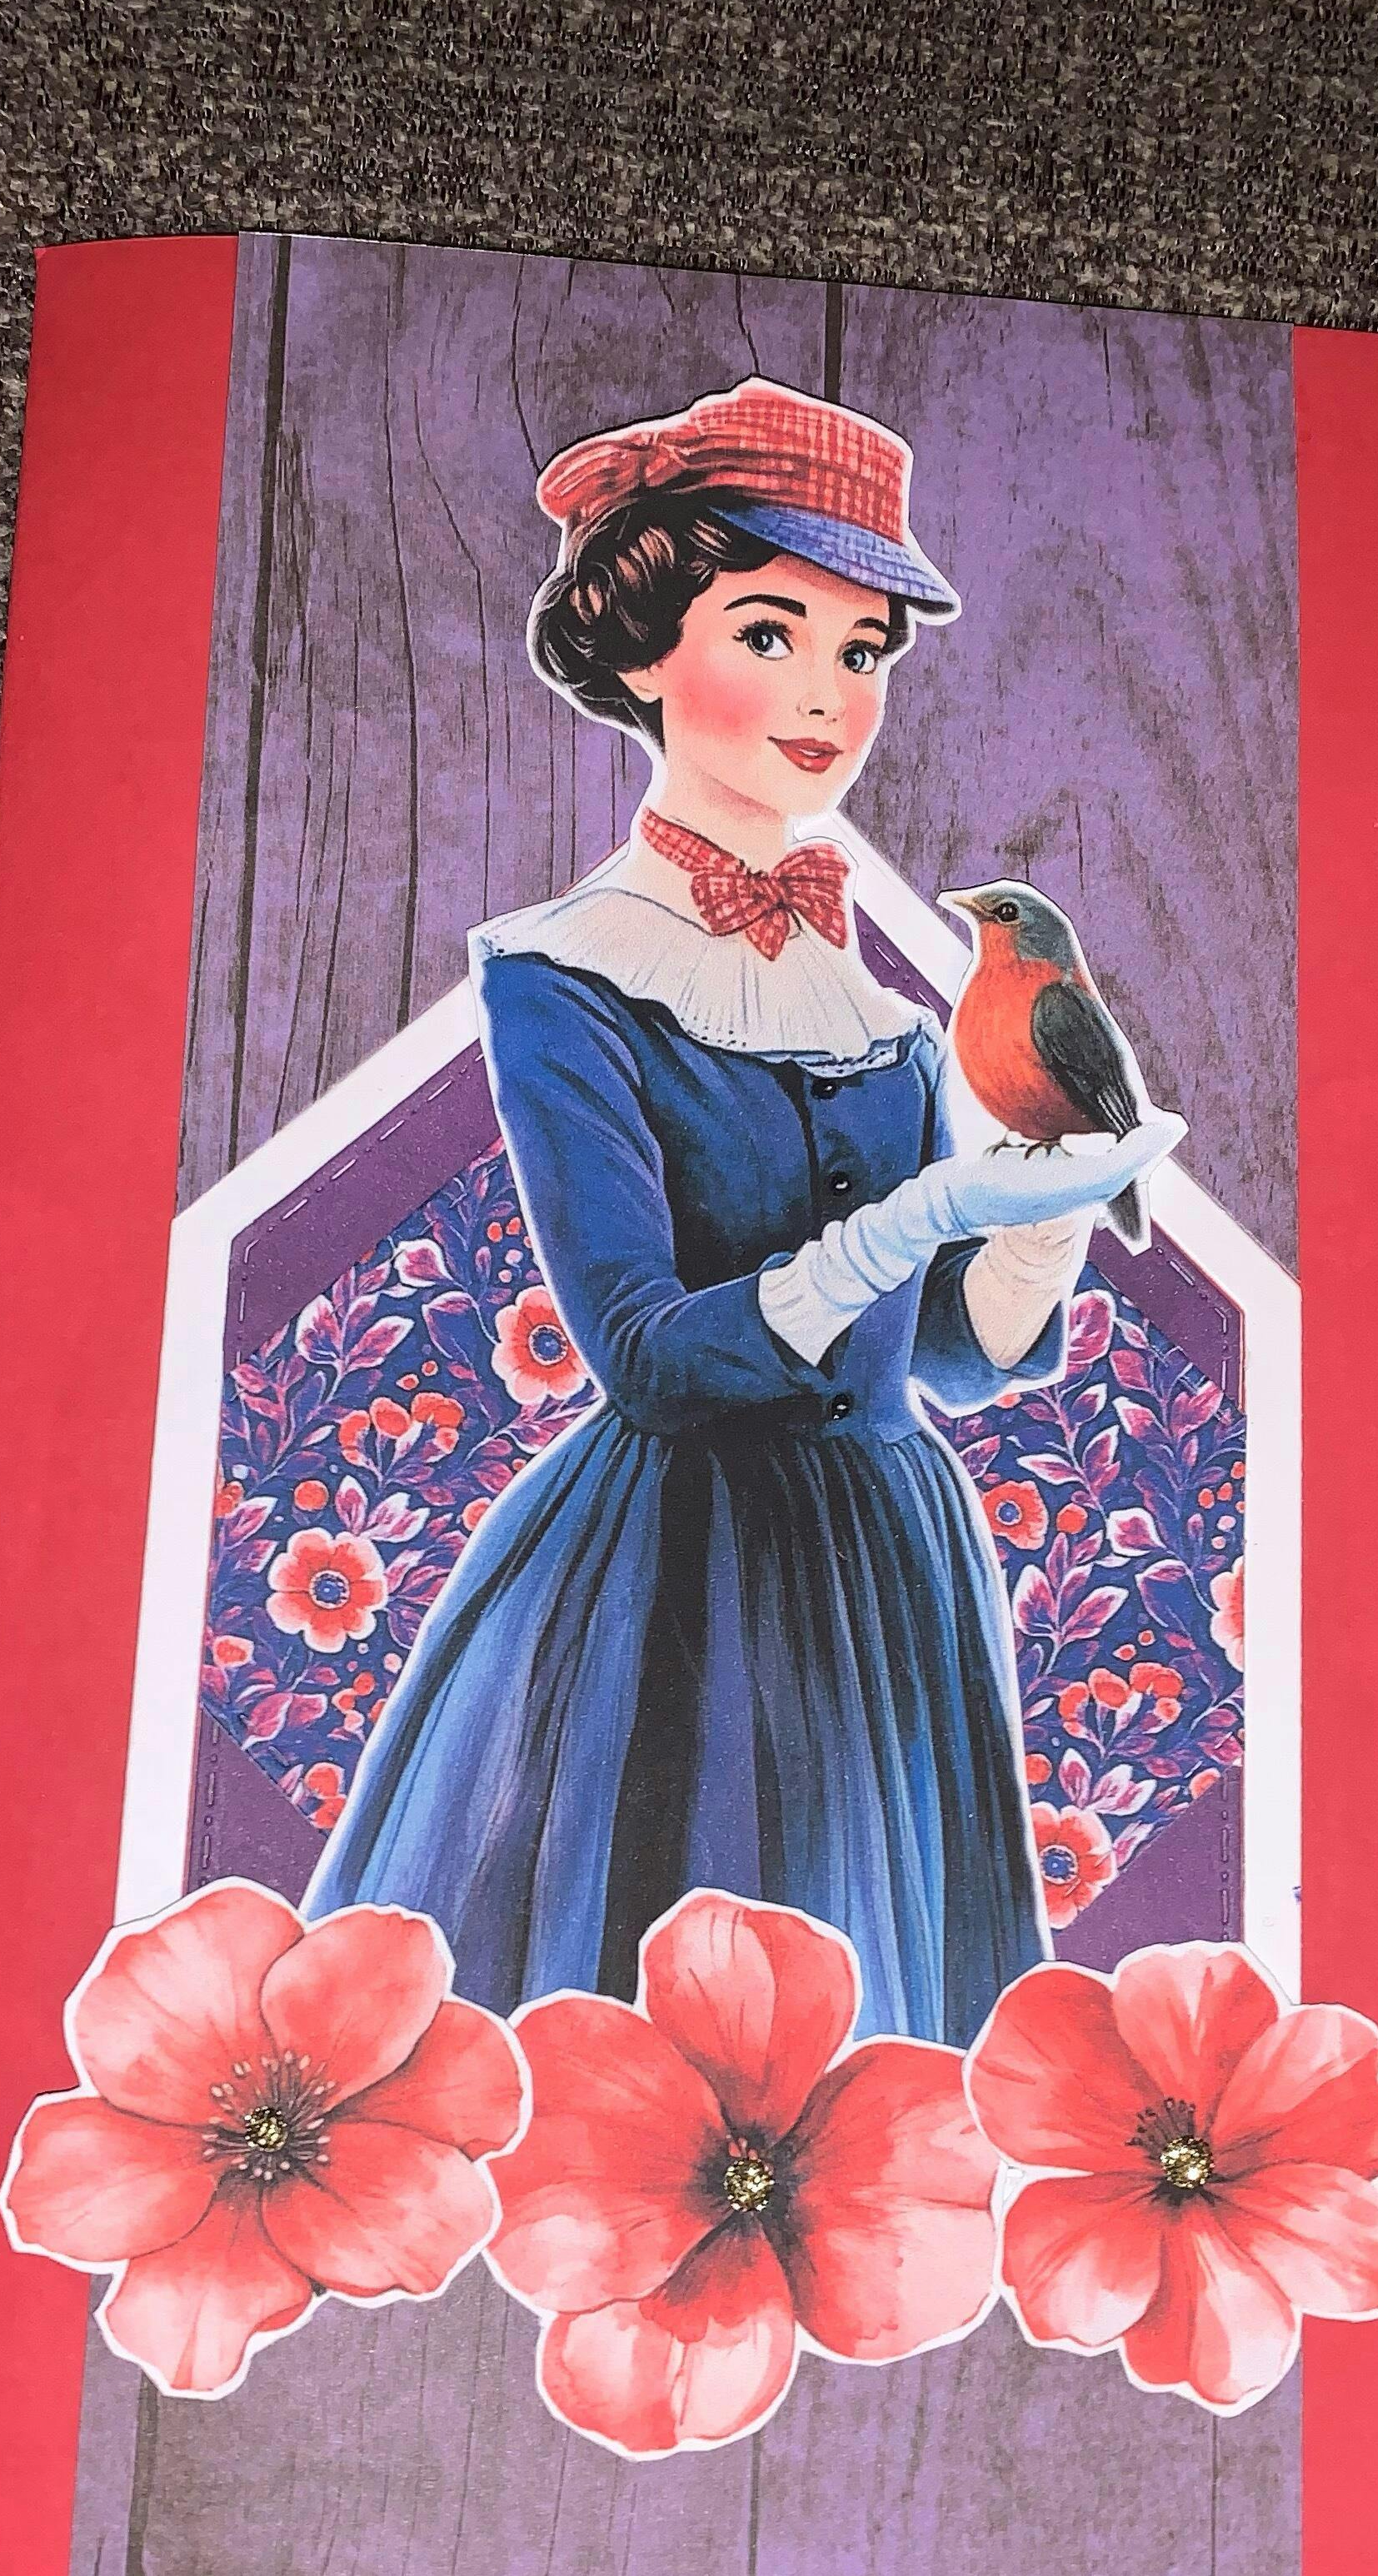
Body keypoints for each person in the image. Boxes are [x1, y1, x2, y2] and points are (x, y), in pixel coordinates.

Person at [303, 378, 1179, 2042]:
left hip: (889, 1561)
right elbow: (641, 1353)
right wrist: (902, 1227)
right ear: (642, 652)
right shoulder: (566, 976)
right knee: (652, 2033)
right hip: (673, 1578)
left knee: (882, 2039)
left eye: (863, 651)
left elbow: (946, 1357)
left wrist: (1043, 1224)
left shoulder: (886, 1014)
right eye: (770, 634)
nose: (828, 696)